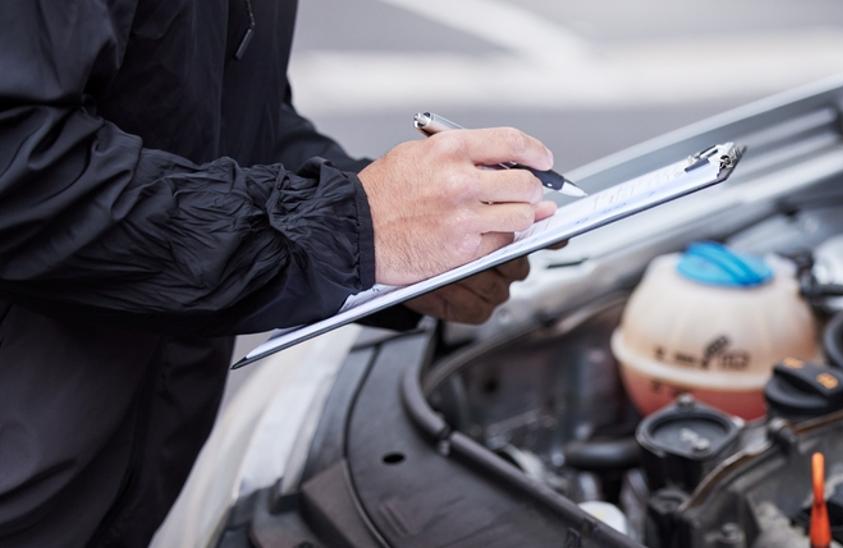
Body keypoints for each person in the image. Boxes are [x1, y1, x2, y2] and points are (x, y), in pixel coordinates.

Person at [0, 1, 557, 545]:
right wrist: (352, 226)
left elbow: (228, 131)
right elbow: (19, 167)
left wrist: (400, 246)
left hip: (117, 473)